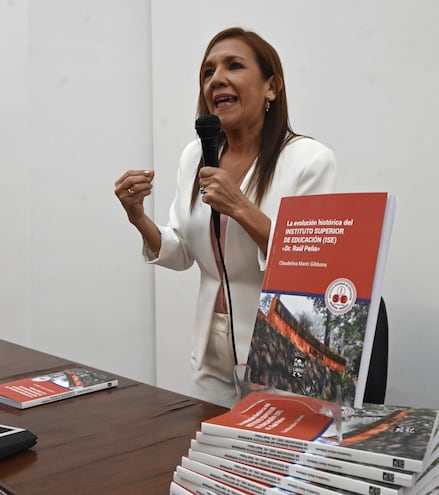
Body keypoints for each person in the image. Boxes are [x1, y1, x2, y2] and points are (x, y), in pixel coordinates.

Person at [114, 27, 337, 408]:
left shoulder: (309, 161)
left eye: (234, 66)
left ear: (272, 87)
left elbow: (308, 265)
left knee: (268, 461)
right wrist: (138, 217)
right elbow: (182, 250)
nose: (216, 79)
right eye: (207, 71)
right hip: (210, 348)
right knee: (204, 454)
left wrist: (241, 207)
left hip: (281, 348)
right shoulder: (195, 156)